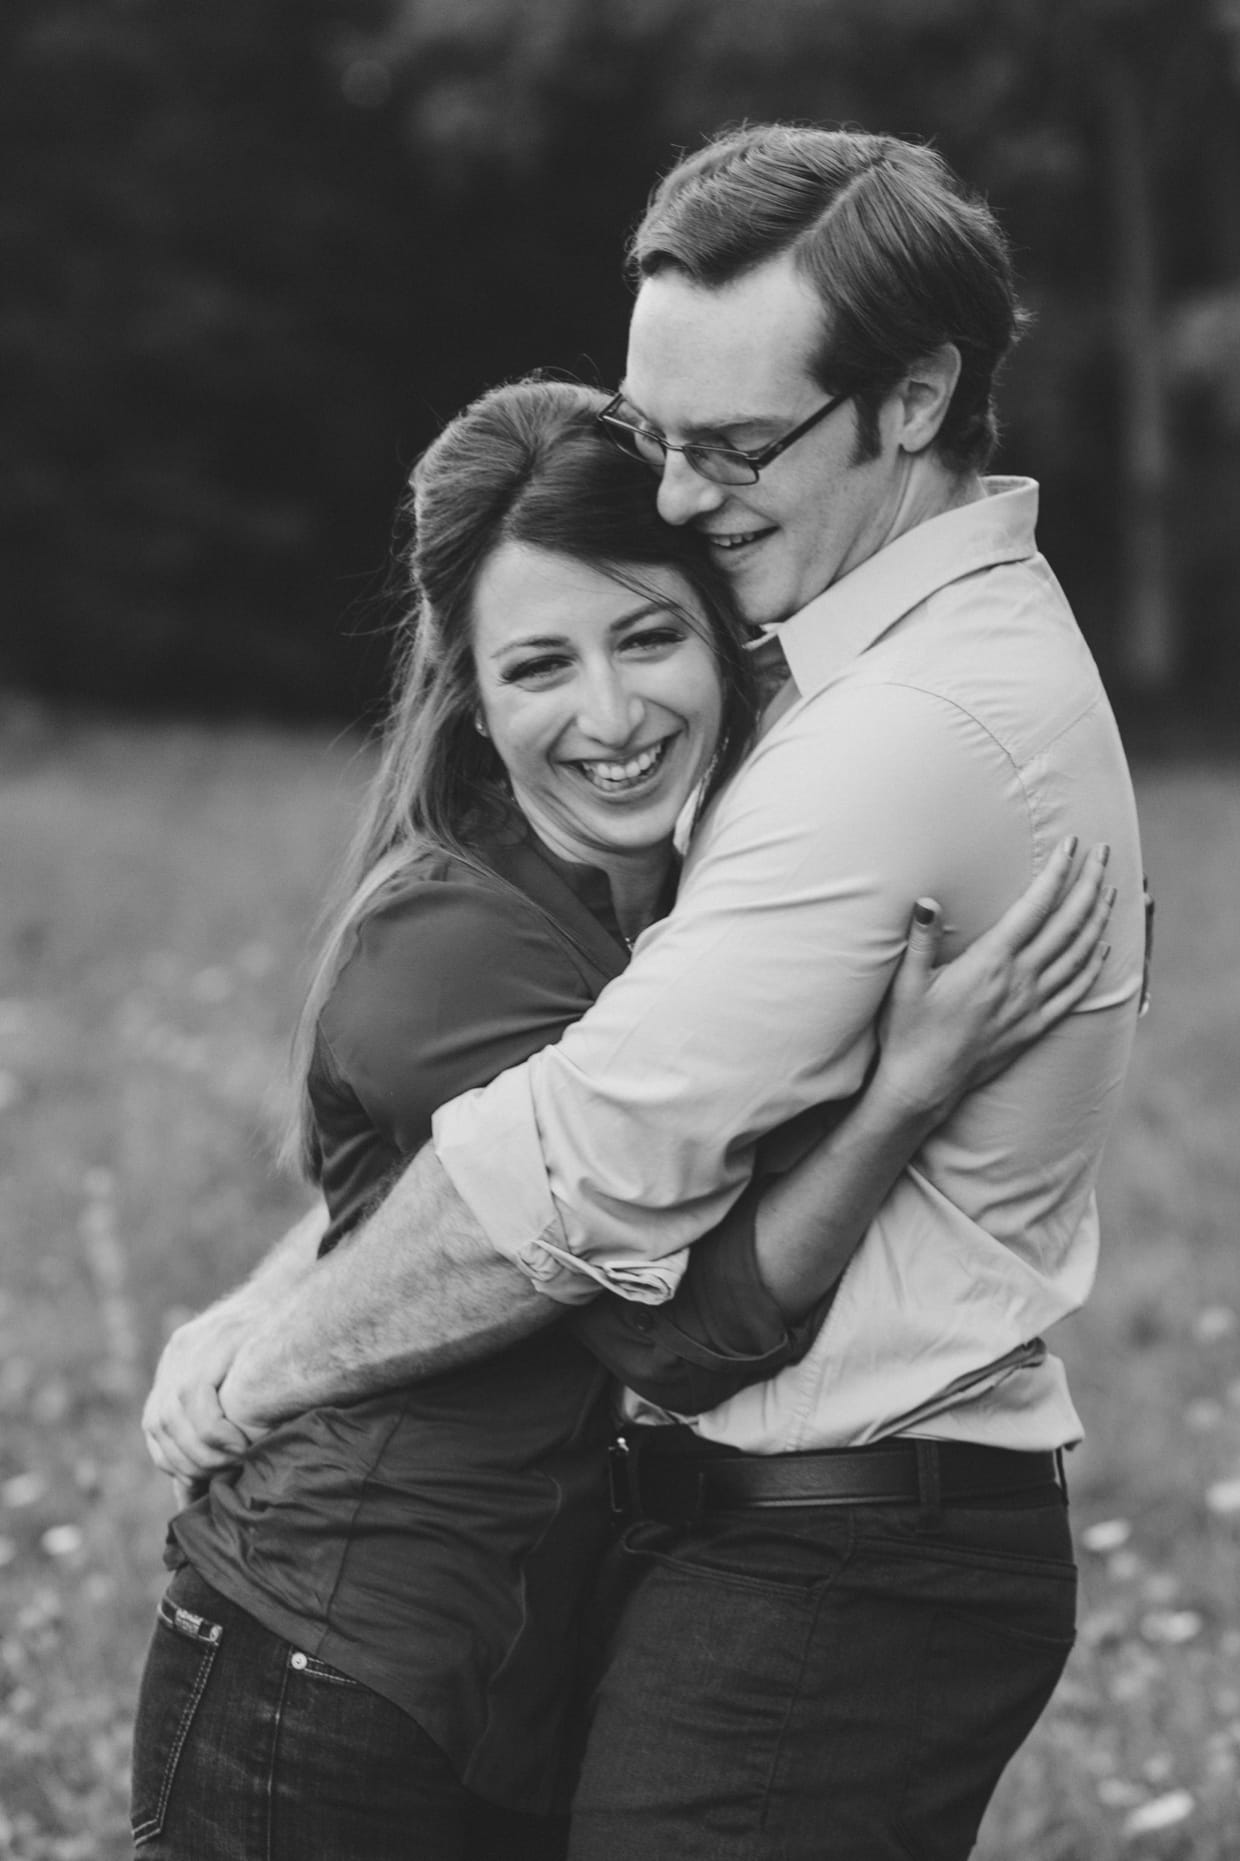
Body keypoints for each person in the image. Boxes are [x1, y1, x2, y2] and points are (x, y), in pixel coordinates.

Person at [147, 122, 1147, 1860]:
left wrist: (262, 1355)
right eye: (661, 438)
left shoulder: (891, 734)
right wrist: (266, 1314)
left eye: (734, 445)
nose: (681, 496)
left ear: (912, 400)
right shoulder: (834, 697)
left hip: (820, 1551)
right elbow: (458, 1168)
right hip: (442, 1624)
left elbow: (578, 1198)